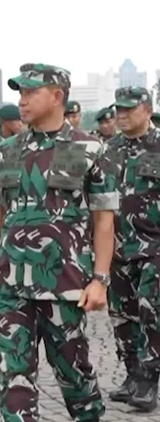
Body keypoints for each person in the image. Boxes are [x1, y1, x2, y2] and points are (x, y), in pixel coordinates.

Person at [0, 63, 119, 422]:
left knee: (75, 376)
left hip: (64, 286)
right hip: (10, 287)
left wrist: (100, 279)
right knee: (13, 379)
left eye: (31, 92)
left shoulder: (91, 149)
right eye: (20, 93)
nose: (22, 101)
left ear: (57, 96)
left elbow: (103, 220)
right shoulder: (6, 149)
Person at [105, 87, 160, 412]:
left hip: (155, 246)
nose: (121, 115)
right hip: (118, 247)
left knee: (151, 310)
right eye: (118, 110)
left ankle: (150, 379)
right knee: (122, 315)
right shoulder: (111, 149)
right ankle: (131, 374)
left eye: (128, 109)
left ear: (147, 109)